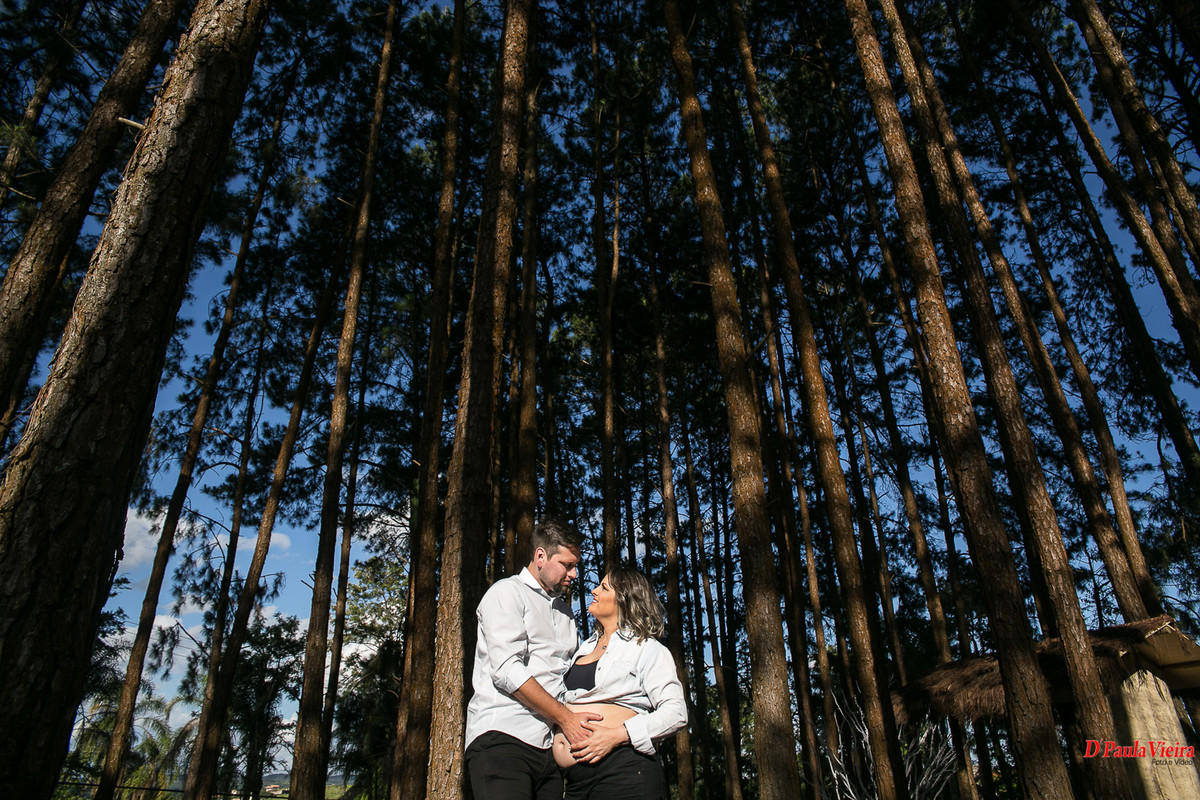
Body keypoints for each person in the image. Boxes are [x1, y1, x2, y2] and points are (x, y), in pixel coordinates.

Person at [464, 518, 601, 800]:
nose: (574, 573)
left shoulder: (566, 614)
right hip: (502, 740)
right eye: (567, 564)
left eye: (576, 565)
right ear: (540, 556)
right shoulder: (506, 593)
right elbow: (506, 670)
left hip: (549, 752)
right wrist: (567, 718)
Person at [553, 564, 687, 800]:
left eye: (603, 587)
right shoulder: (581, 649)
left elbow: (676, 713)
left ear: (624, 600)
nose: (594, 590)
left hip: (623, 772)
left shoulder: (647, 648)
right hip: (575, 783)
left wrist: (617, 735)